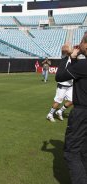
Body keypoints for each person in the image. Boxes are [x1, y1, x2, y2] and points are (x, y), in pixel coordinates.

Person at [55, 32, 87, 184]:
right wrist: (74, 58)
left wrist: (64, 56)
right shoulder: (82, 65)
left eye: (82, 42)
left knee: (72, 153)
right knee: (84, 151)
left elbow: (60, 76)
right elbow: (77, 74)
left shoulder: (84, 65)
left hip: (82, 113)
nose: (79, 44)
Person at [46, 44, 73, 122]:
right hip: (62, 84)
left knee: (73, 100)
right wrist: (70, 49)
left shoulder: (74, 59)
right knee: (58, 101)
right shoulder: (65, 57)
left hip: (70, 85)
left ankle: (60, 111)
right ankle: (50, 114)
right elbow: (64, 49)